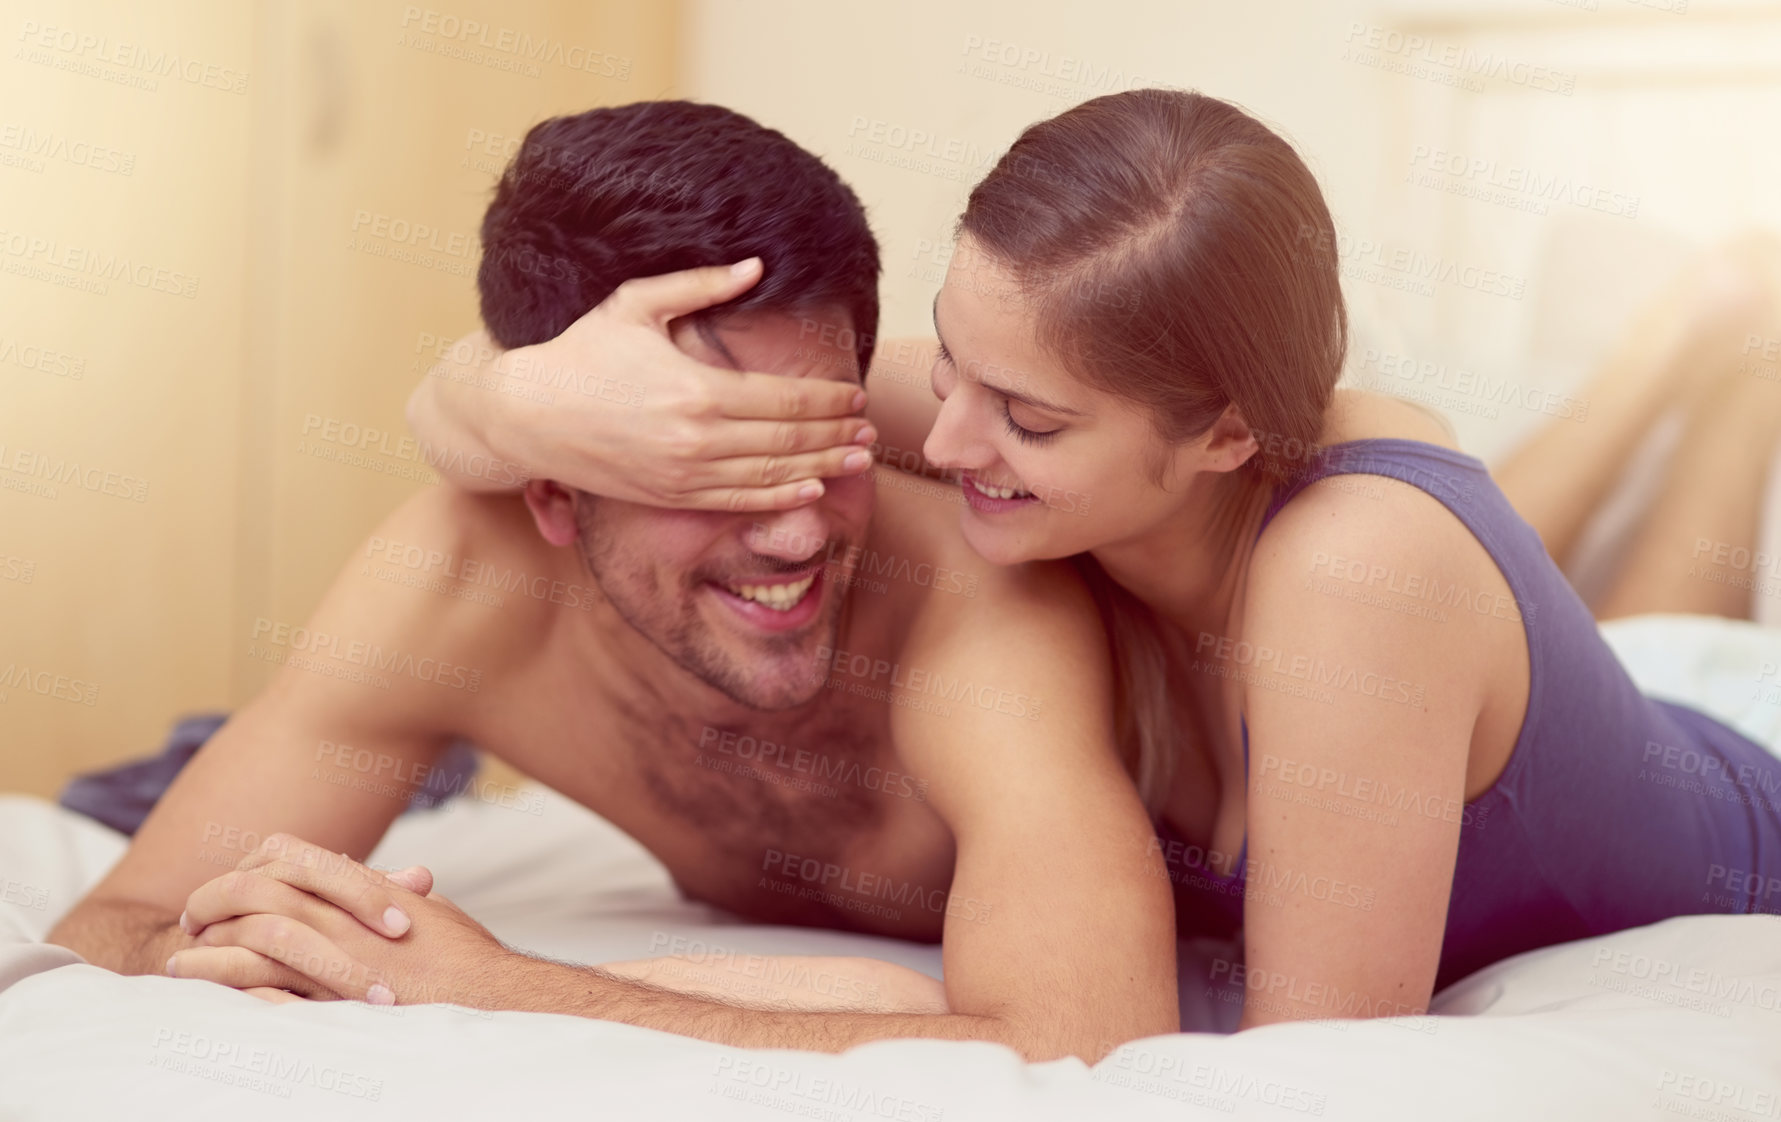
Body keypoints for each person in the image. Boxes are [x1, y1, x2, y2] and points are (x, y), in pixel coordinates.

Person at [411, 89, 1781, 1030]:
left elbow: (1314, 1074)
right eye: (946, 354)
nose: (938, 440)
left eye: (1031, 421)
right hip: (1543, 695)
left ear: (1226, 429)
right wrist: (508, 401)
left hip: (1724, 796)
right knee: (1626, 619)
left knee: (1623, 609)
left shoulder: (1353, 576)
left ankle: (1716, 340)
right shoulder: (1005, 394)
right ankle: (1715, 349)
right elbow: (514, 399)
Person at [45, 101, 1182, 1062]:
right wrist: (266, 949)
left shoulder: (975, 599)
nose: (792, 534)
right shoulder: (455, 581)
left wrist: (499, 987)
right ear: (551, 487)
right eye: (707, 468)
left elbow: (1079, 1038)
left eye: (818, 444)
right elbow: (118, 924)